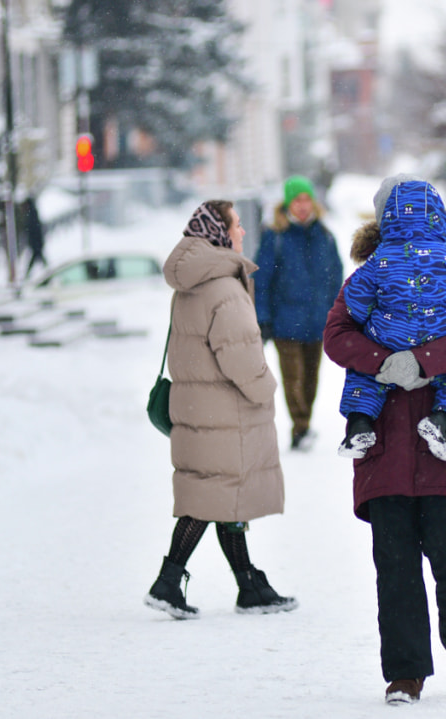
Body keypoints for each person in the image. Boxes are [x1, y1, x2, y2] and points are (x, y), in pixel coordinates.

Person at [323, 216, 446, 705]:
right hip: (385, 440)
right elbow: (336, 334)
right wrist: (383, 363)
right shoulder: (370, 275)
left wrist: (426, 361)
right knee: (394, 564)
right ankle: (405, 672)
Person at [144, 200, 296, 619]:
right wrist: (266, 387)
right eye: (237, 225)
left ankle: (249, 584)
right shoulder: (225, 288)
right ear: (219, 231)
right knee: (210, 498)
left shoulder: (191, 283)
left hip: (198, 407)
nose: (243, 233)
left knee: (222, 493)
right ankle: (168, 581)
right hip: (226, 411)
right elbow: (241, 356)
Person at [338, 176, 446, 463]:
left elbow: (355, 301)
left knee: (363, 376)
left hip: (389, 338)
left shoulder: (379, 257)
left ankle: (359, 424)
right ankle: (443, 420)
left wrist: (375, 342)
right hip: (441, 334)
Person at [253, 176, 344, 452]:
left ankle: (304, 423)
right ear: (288, 204)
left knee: (311, 380)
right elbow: (261, 281)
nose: (303, 206)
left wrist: (335, 312)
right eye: (297, 200)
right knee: (293, 378)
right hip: (285, 323)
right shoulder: (275, 237)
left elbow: (336, 277)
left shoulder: (325, 236)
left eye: (306, 200)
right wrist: (263, 319)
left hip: (318, 322)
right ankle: (300, 428)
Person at [19, 195, 47, 277]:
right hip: (36, 243)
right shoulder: (32, 214)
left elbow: (33, 231)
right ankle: (48, 275)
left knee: (36, 260)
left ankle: (27, 277)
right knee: (39, 260)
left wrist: (34, 242)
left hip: (36, 243)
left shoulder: (31, 215)